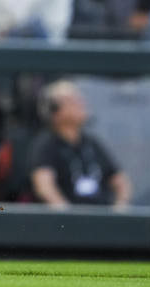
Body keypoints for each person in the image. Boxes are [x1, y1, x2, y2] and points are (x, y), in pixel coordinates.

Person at [29, 80, 132, 208]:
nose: (82, 104)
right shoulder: (46, 145)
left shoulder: (92, 143)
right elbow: (44, 186)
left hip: (100, 217)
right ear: (55, 109)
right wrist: (66, 214)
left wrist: (120, 206)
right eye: (73, 101)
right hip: (66, 223)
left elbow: (120, 180)